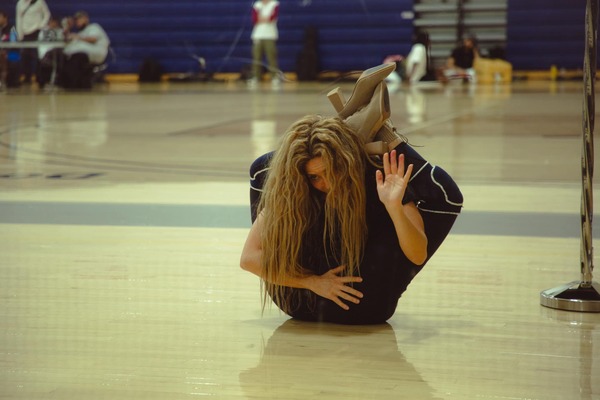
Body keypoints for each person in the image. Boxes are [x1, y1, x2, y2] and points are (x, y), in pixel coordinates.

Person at [241, 63, 463, 325]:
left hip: (354, 302)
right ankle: (369, 133)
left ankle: (346, 131)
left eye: (330, 171)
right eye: (314, 177)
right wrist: (312, 282)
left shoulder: (374, 183)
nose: (325, 183)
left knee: (264, 170)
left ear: (343, 164)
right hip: (320, 302)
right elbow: (249, 259)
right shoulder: (295, 190)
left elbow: (416, 254)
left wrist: (394, 206)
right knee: (447, 196)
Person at [61, 11, 109, 89]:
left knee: (77, 58)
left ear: (86, 19)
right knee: (67, 59)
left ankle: (75, 84)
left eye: (80, 19)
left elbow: (93, 39)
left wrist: (77, 37)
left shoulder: (94, 27)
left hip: (94, 53)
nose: (78, 22)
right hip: (80, 54)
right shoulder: (81, 33)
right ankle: (69, 83)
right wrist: (68, 28)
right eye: (76, 20)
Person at [15, 0, 51, 84]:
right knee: (25, 56)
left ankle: (36, 76)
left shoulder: (39, 2)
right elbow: (18, 18)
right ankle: (26, 76)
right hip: (25, 33)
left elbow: (47, 14)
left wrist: (41, 25)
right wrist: (19, 34)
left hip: (36, 31)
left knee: (36, 55)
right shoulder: (20, 3)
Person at [248, 0, 280, 88]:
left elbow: (272, 17)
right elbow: (255, 19)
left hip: (270, 35)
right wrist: (264, 18)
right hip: (257, 35)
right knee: (256, 57)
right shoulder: (257, 4)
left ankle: (274, 77)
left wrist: (262, 18)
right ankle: (255, 77)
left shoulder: (274, 4)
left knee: (271, 57)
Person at [36, 15, 64, 89]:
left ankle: (57, 81)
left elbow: (62, 43)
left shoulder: (59, 31)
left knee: (60, 54)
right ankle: (47, 81)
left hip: (57, 53)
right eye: (52, 22)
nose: (54, 24)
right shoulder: (44, 31)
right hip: (46, 53)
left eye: (55, 22)